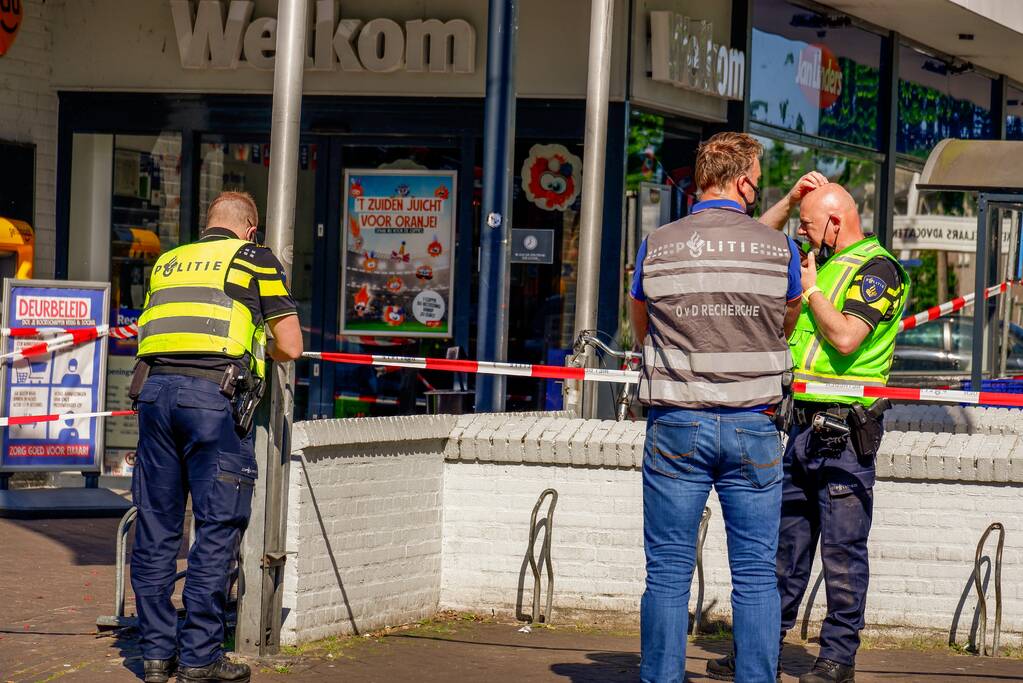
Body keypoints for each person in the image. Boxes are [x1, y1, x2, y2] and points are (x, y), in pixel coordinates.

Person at [709, 184, 908, 683]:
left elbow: (845, 337)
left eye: (810, 224)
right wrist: (792, 200)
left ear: (836, 223)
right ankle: (759, 651)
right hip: (800, 426)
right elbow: (752, 236)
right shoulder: (819, 264)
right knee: (784, 552)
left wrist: (811, 289)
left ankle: (837, 660)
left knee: (842, 553)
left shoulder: (878, 270)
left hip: (846, 432)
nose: (803, 233)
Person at [630, 132, 804, 683]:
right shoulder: (779, 248)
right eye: (758, 181)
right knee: (755, 575)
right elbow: (787, 320)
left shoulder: (658, 243)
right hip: (754, 425)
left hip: (676, 423)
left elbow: (641, 323)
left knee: (667, 572)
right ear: (744, 180)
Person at [131, 191, 303, 683]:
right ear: (250, 229)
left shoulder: (168, 262)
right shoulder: (253, 259)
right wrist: (260, 345)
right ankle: (199, 658)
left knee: (157, 527)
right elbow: (290, 345)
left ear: (208, 223)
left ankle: (156, 655)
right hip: (211, 400)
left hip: (154, 396)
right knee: (216, 527)